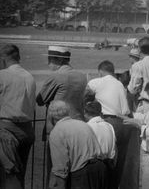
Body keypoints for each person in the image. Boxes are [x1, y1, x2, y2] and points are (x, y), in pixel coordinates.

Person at [36, 45, 87, 186]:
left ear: (57, 60)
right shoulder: (81, 76)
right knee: (76, 166)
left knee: (56, 169)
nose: (48, 63)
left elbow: (40, 100)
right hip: (79, 125)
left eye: (50, 59)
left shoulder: (56, 76)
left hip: (58, 126)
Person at [85, 60, 132, 189]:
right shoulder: (120, 84)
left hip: (109, 122)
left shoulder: (97, 82)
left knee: (103, 159)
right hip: (124, 123)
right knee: (119, 162)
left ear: (100, 71)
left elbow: (85, 95)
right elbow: (125, 109)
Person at [48, 100, 107, 189]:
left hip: (81, 174)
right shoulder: (83, 124)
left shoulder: (56, 132)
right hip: (99, 169)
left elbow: (60, 167)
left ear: (51, 116)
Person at [0, 44, 36, 189]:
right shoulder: (29, 76)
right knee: (19, 174)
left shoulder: (3, 75)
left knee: (9, 175)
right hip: (27, 130)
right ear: (18, 57)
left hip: (7, 131)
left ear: (3, 59)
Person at [84, 101, 116, 167]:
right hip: (109, 164)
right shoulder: (109, 126)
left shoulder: (87, 127)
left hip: (93, 165)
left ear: (86, 114)